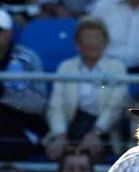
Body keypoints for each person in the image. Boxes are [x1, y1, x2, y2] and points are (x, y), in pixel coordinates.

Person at [44, 16, 129, 162]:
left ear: (105, 41)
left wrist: (96, 132)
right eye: (86, 38)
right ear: (77, 43)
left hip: (102, 129)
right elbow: (55, 105)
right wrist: (60, 134)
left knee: (93, 150)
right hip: (71, 125)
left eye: (96, 37)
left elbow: (115, 106)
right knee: (56, 150)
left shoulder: (117, 68)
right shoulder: (65, 67)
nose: (91, 43)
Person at [0, 9, 48, 162]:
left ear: (10, 33)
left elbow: (39, 104)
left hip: (18, 126)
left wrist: (4, 94)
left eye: (0, 31)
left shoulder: (27, 58)